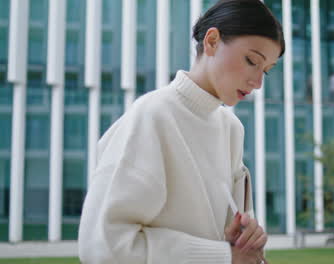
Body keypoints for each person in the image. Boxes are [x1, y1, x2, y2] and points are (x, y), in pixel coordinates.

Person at [78, 0, 285, 263]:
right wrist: (222, 256)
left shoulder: (231, 129)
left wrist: (242, 242)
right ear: (212, 41)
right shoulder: (152, 116)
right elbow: (103, 247)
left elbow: (231, 246)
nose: (256, 83)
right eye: (251, 61)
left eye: (265, 72)